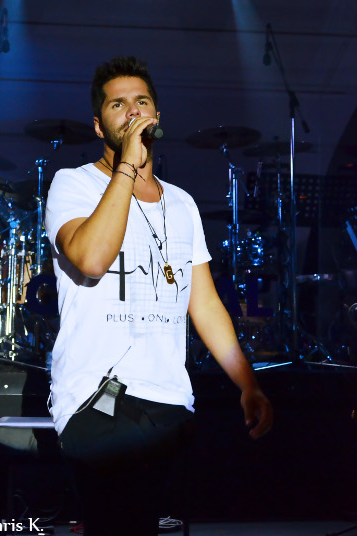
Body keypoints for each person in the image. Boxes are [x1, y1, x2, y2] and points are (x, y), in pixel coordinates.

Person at [45, 56, 273, 536]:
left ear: (157, 115)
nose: (132, 112)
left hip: (168, 400)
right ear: (98, 124)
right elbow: (91, 259)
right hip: (97, 397)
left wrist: (247, 384)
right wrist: (128, 165)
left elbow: (204, 303)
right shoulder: (74, 184)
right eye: (118, 105)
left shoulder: (183, 202)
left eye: (141, 101)